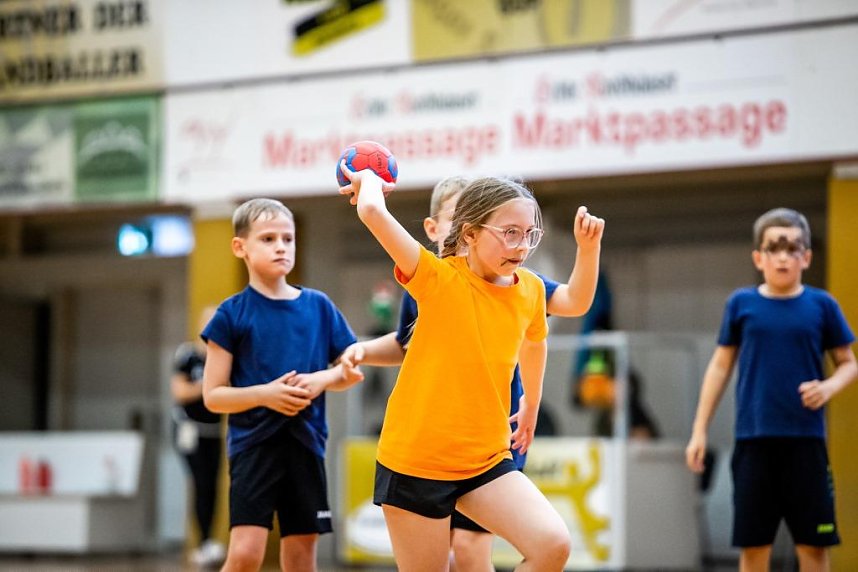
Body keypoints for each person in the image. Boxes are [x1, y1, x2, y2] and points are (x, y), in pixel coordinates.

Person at [339, 167, 601, 571]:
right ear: (471, 233)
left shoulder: (528, 288)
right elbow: (373, 212)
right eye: (509, 232)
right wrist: (369, 179)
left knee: (552, 545)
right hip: (416, 461)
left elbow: (540, 337)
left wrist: (531, 401)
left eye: (530, 233)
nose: (522, 245)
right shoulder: (437, 279)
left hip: (485, 459)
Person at [685, 207, 857, 572]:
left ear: (806, 257)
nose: (783, 257)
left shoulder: (822, 306)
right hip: (753, 443)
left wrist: (827, 388)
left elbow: (849, 364)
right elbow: (719, 367)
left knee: (813, 546)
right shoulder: (742, 304)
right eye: (774, 248)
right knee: (754, 546)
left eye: (793, 248)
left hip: (806, 444)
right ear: (758, 257)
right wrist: (699, 430)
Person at [201, 198, 364, 572]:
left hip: (306, 443)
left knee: (302, 551)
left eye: (288, 239)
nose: (281, 246)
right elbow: (213, 396)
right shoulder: (231, 314)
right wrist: (266, 395)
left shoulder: (319, 306)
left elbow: (350, 371)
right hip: (253, 446)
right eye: (268, 238)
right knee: (245, 553)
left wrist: (322, 378)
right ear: (240, 247)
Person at [171, 306, 226, 567]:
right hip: (188, 429)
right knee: (200, 482)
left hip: (214, 431)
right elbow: (180, 391)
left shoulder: (225, 358)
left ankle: (208, 540)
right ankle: (202, 541)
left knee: (213, 486)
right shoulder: (188, 355)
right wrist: (210, 388)